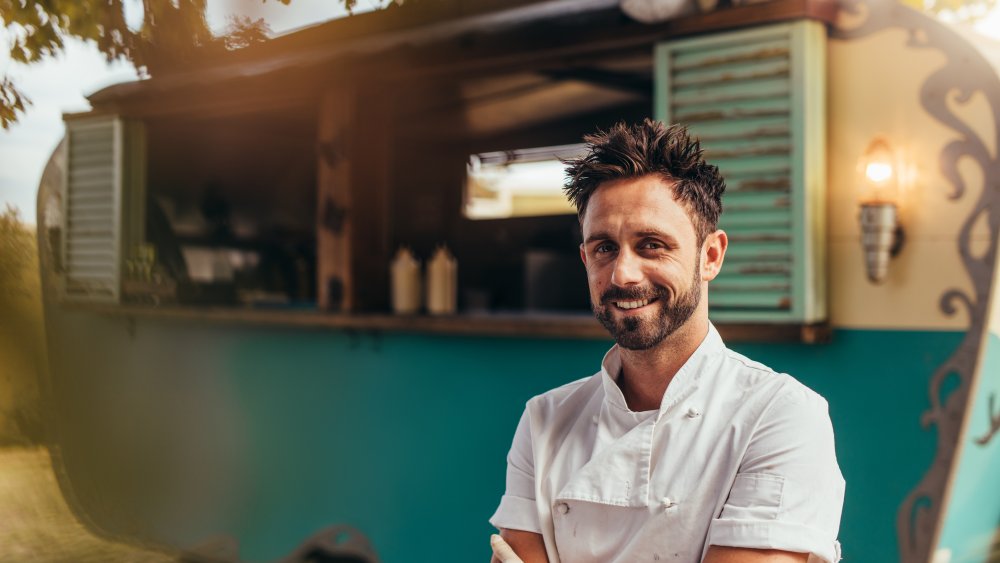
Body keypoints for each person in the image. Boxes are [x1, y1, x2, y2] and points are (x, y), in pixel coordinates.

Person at [488, 120, 845, 563]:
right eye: (604, 248)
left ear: (710, 256)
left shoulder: (780, 416)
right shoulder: (545, 420)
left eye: (651, 245)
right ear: (584, 258)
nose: (622, 274)